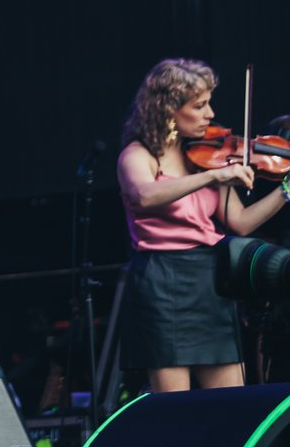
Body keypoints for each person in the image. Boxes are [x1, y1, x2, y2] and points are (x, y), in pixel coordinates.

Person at [116, 58, 288, 393]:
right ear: (168, 108)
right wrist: (214, 176)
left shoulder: (208, 155)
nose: (210, 114)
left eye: (209, 103)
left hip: (212, 279)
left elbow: (241, 222)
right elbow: (144, 196)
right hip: (161, 282)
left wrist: (286, 190)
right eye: (199, 106)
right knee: (175, 407)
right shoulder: (138, 155)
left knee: (230, 403)